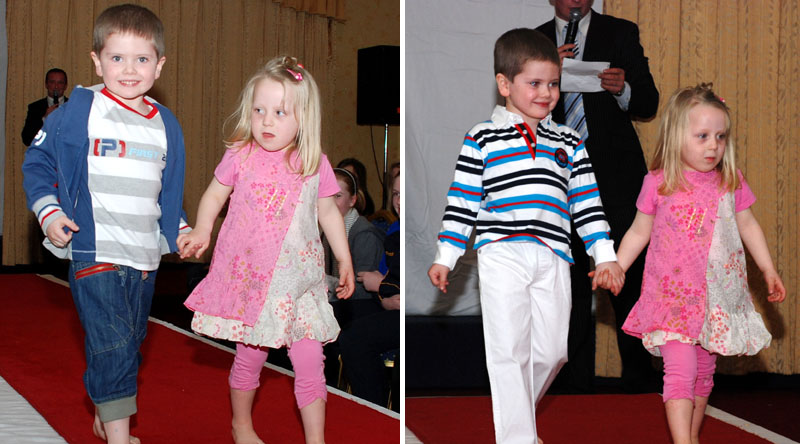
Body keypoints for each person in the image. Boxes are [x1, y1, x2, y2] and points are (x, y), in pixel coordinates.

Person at [427, 28, 623, 444]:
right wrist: (446, 255)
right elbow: (462, 202)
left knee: (554, 353)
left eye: (553, 83)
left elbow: (588, 204)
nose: (546, 93)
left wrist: (604, 254)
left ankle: (517, 422)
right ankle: (518, 438)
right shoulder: (482, 137)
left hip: (554, 255)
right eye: (534, 83)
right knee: (508, 352)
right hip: (501, 253)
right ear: (504, 84)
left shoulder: (570, 141)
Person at [22, 5, 189, 444]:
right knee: (113, 343)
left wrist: (180, 229)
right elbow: (37, 162)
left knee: (127, 343)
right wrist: (49, 211)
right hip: (94, 249)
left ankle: (106, 407)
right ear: (97, 61)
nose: (129, 70)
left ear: (159, 65)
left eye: (141, 59)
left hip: (144, 257)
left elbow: (168, 191)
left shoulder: (166, 124)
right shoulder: (80, 110)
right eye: (117, 58)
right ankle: (118, 435)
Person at [178, 56, 355, 444]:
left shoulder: (314, 163)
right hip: (257, 286)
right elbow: (214, 195)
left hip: (301, 285)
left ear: (304, 118)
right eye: (259, 111)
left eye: (279, 112)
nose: (266, 121)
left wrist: (344, 258)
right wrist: (203, 228)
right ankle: (241, 425)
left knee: (311, 364)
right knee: (250, 358)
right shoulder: (241, 154)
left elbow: (328, 212)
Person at [597, 83, 787, 444]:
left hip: (715, 300)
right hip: (672, 299)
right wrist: (616, 265)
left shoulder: (730, 181)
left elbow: (748, 225)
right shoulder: (659, 182)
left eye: (720, 136)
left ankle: (691, 437)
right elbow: (638, 231)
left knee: (703, 374)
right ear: (676, 136)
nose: (713, 145)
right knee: (680, 372)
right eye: (702, 136)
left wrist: (768, 269)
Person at [536, 0, 661, 394]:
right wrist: (544, 78)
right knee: (565, 287)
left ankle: (640, 384)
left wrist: (624, 89)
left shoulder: (620, 32)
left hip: (616, 180)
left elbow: (649, 102)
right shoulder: (533, 42)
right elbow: (517, 112)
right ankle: (570, 388)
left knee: (628, 282)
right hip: (556, 181)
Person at [339, 169, 400, 411]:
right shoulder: (394, 231)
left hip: (403, 310)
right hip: (387, 305)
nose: (399, 200)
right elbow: (386, 285)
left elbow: (379, 284)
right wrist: (384, 293)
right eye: (396, 194)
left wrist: (381, 287)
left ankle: (379, 411)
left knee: (353, 334)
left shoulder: (364, 233)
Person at [326, 167, 385, 326]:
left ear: (352, 200)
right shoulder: (326, 230)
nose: (330, 202)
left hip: (362, 310)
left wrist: (329, 286)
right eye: (327, 195)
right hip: (339, 305)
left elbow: (362, 291)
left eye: (338, 196)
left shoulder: (364, 235)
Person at [21, 68, 68, 146]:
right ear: (46, 85)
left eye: (60, 83)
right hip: (44, 152)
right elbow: (27, 139)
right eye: (52, 82)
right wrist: (45, 119)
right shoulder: (35, 108)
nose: (56, 86)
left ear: (65, 86)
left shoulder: (73, 106)